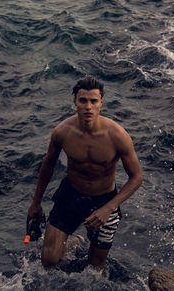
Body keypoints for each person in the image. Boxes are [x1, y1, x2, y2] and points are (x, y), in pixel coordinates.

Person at [27, 76, 143, 271]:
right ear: (75, 102)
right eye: (83, 101)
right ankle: (73, 241)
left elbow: (137, 177)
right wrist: (36, 202)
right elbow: (48, 165)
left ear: (101, 103)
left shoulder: (117, 135)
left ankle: (78, 241)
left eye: (93, 101)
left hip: (104, 200)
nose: (88, 106)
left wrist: (109, 208)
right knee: (49, 262)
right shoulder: (62, 132)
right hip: (70, 195)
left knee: (95, 268)